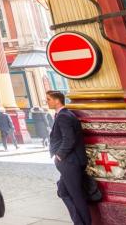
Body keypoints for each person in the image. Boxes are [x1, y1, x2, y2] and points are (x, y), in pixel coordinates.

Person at [47, 90, 90, 225]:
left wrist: (59, 155)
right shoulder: (63, 115)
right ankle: (79, 222)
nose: (46, 102)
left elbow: (69, 139)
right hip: (69, 162)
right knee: (62, 191)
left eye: (48, 99)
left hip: (70, 162)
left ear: (57, 100)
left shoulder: (64, 116)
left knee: (77, 196)